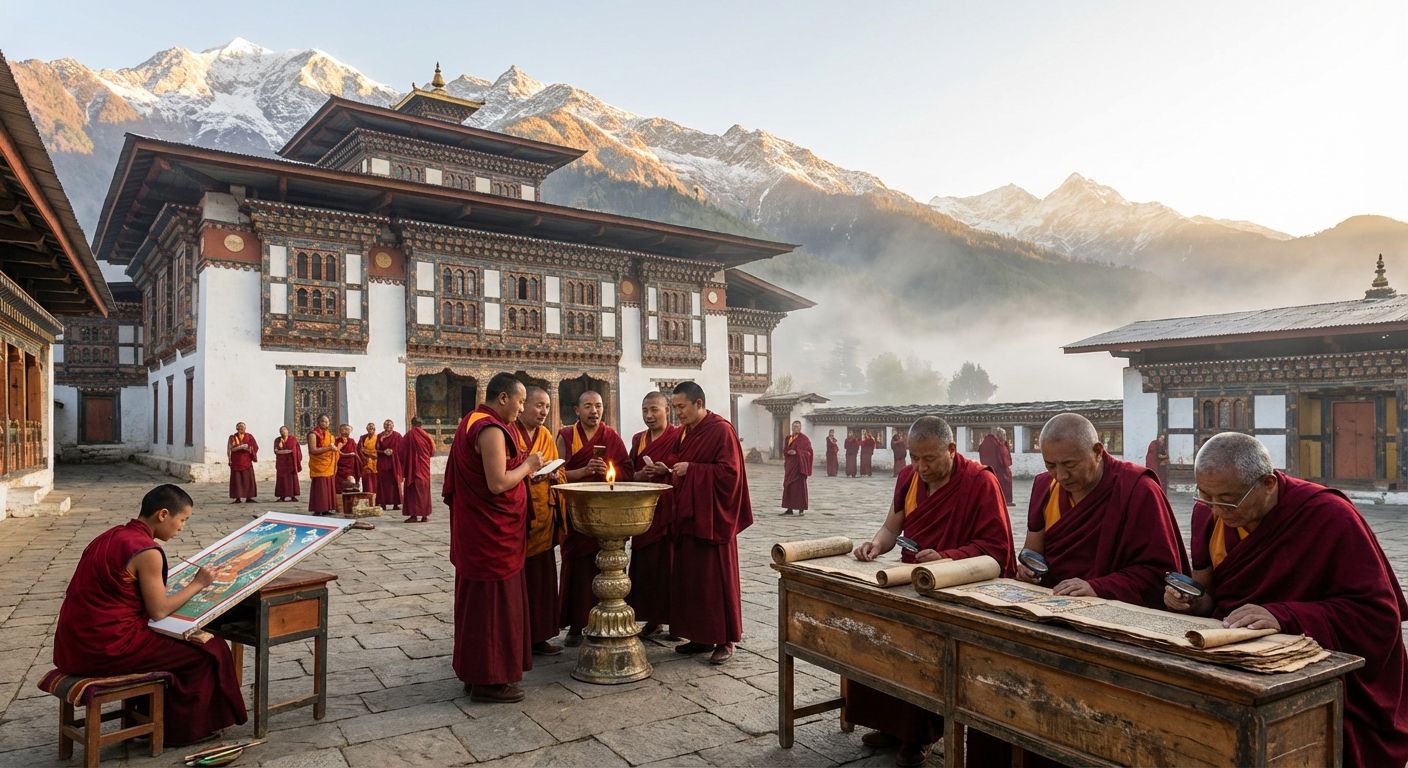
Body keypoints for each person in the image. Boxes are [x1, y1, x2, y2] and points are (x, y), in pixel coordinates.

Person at [1165, 433, 1408, 768]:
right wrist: (1191, 602)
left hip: (1324, 676)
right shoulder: (1207, 514)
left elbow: (1378, 616)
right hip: (1239, 664)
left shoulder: (1328, 515)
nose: (1218, 510)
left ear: (1267, 482)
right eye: (1206, 497)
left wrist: (1284, 616)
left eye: (1229, 500)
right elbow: (1212, 600)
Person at [849, 417, 1015, 767]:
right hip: (914, 578)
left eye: (929, 459)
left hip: (959, 585)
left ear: (952, 450)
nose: (921, 467)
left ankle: (919, 735)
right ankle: (891, 725)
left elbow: (996, 550)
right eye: (914, 458)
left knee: (928, 655)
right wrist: (875, 545)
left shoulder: (980, 482)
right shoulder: (909, 478)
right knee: (881, 637)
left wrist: (947, 557)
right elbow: (892, 526)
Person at [53, 484, 248, 745]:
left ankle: (146, 718)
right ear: (163, 514)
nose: (181, 528)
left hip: (72, 646)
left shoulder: (109, 535)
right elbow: (158, 611)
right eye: (182, 520)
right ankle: (181, 731)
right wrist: (199, 583)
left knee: (192, 645)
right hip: (108, 647)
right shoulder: (147, 552)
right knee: (209, 649)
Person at [1015, 413, 1188, 607]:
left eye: (1069, 464)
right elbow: (1032, 552)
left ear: (1097, 451)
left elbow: (1160, 573)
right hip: (1052, 602)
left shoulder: (1138, 488)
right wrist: (1028, 571)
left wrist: (1097, 588)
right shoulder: (1045, 486)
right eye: (1051, 465)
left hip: (1115, 609)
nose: (1061, 476)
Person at [443, 373, 543, 703]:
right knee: (493, 608)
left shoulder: (470, 420)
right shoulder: (489, 429)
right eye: (520, 400)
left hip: (480, 532)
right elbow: (498, 483)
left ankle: (476, 674)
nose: (522, 407)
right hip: (491, 538)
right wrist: (528, 465)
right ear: (503, 398)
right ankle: (489, 680)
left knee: (479, 607)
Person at [668, 381, 751, 665]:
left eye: (681, 407)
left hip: (714, 518)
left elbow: (730, 474)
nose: (677, 413)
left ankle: (725, 640)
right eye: (675, 407)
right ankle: (699, 636)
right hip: (691, 516)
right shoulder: (686, 433)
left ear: (699, 404)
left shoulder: (721, 430)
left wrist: (692, 470)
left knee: (716, 581)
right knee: (693, 581)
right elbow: (678, 462)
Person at [556, 389, 628, 646]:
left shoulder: (611, 436)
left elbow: (627, 471)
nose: (594, 411)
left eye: (598, 406)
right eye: (588, 406)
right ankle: (576, 625)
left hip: (606, 514)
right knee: (577, 568)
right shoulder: (566, 436)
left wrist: (610, 471)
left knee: (606, 565)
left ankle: (609, 619)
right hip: (576, 512)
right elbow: (557, 473)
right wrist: (585, 470)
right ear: (577, 410)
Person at [512, 386, 567, 656]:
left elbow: (558, 467)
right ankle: (519, 636)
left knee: (542, 580)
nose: (544, 411)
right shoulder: (510, 433)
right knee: (519, 580)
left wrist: (557, 476)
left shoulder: (545, 434)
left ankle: (540, 636)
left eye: (547, 406)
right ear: (523, 407)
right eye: (538, 405)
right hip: (520, 515)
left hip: (543, 516)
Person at [628, 391, 680, 638]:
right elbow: (628, 471)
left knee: (669, 567)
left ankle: (676, 620)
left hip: (668, 510)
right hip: (643, 511)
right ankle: (652, 618)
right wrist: (638, 476)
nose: (649, 416)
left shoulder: (678, 436)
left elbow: (683, 467)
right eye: (644, 410)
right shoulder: (638, 439)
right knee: (646, 568)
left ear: (666, 410)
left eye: (654, 410)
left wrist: (667, 470)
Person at [401, 417, 435, 523]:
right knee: (424, 490)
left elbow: (401, 450)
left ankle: (414, 516)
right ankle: (424, 515)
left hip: (413, 469)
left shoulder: (410, 435)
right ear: (422, 425)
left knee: (413, 492)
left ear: (412, 424)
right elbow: (432, 451)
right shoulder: (427, 436)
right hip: (424, 467)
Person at [306, 415, 337, 516]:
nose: (326, 423)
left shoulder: (329, 435)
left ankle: (327, 508)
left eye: (327, 421)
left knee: (328, 486)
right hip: (319, 465)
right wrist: (329, 448)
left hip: (328, 464)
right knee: (320, 487)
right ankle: (318, 508)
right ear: (319, 422)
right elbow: (313, 450)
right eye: (323, 421)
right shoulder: (313, 434)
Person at [781, 420, 813, 515]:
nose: (795, 428)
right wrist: (788, 452)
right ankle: (789, 508)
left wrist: (797, 453)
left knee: (800, 488)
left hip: (799, 467)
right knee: (788, 486)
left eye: (797, 426)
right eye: (794, 426)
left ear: (800, 428)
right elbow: (785, 450)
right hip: (790, 466)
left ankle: (801, 509)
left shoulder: (804, 439)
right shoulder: (788, 438)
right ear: (791, 427)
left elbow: (809, 452)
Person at [978, 427, 1015, 506]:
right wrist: (1005, 465)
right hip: (999, 469)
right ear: (999, 435)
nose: (1005, 436)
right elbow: (1001, 456)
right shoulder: (996, 444)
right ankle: (1005, 500)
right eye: (1003, 435)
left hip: (990, 468)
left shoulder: (988, 442)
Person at [226, 422, 258, 503]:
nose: (241, 428)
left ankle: (249, 497)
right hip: (236, 461)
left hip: (246, 461)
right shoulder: (233, 437)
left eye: (243, 427)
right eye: (239, 427)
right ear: (237, 428)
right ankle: (237, 498)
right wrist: (241, 447)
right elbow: (231, 448)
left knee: (248, 479)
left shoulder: (249, 436)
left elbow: (255, 446)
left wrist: (250, 449)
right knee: (237, 480)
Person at [376, 419, 403, 510]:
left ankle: (396, 503)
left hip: (394, 462)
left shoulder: (397, 436)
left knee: (394, 482)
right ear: (383, 426)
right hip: (383, 462)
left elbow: (402, 448)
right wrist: (383, 451)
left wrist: (393, 451)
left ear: (393, 426)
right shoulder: (380, 436)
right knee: (383, 483)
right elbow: (376, 449)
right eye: (386, 424)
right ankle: (382, 503)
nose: (388, 426)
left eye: (390, 424)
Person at [272, 425, 301, 502]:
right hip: (281, 463)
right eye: (281, 430)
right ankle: (282, 497)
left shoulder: (293, 439)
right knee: (281, 479)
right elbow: (276, 451)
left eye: (284, 430)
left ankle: (293, 496)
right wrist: (284, 450)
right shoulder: (277, 440)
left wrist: (282, 451)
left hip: (291, 463)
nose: (283, 432)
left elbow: (296, 450)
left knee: (292, 479)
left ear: (288, 431)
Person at [334, 423, 361, 495]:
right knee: (340, 482)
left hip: (350, 466)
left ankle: (352, 497)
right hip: (340, 465)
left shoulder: (351, 441)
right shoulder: (337, 440)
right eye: (345, 429)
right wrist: (348, 454)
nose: (347, 431)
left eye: (348, 430)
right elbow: (337, 452)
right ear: (340, 430)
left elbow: (357, 452)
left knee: (352, 480)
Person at [358, 422, 379, 499]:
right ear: (366, 429)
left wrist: (367, 452)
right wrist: (364, 458)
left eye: (372, 428)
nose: (371, 429)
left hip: (375, 462)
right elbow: (359, 450)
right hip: (365, 462)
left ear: (375, 429)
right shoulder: (363, 438)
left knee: (375, 481)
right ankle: (367, 498)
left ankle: (376, 499)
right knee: (367, 481)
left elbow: (378, 450)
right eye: (369, 427)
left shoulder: (378, 438)